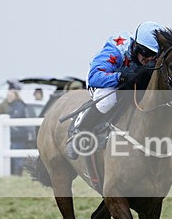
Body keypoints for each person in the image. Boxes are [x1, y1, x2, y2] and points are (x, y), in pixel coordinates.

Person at [66, 21, 164, 158]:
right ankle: (80, 131)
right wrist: (121, 77)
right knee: (108, 101)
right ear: (136, 46)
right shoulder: (116, 50)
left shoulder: (149, 56)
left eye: (154, 54)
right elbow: (94, 77)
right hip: (105, 82)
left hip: (129, 83)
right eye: (146, 53)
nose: (150, 59)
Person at [0, 87, 31, 175]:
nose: (9, 97)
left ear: (16, 96)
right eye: (8, 96)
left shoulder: (19, 105)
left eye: (11, 95)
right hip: (14, 135)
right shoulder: (12, 106)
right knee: (13, 154)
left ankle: (18, 174)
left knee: (17, 156)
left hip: (19, 134)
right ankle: (15, 174)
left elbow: (16, 116)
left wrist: (7, 117)